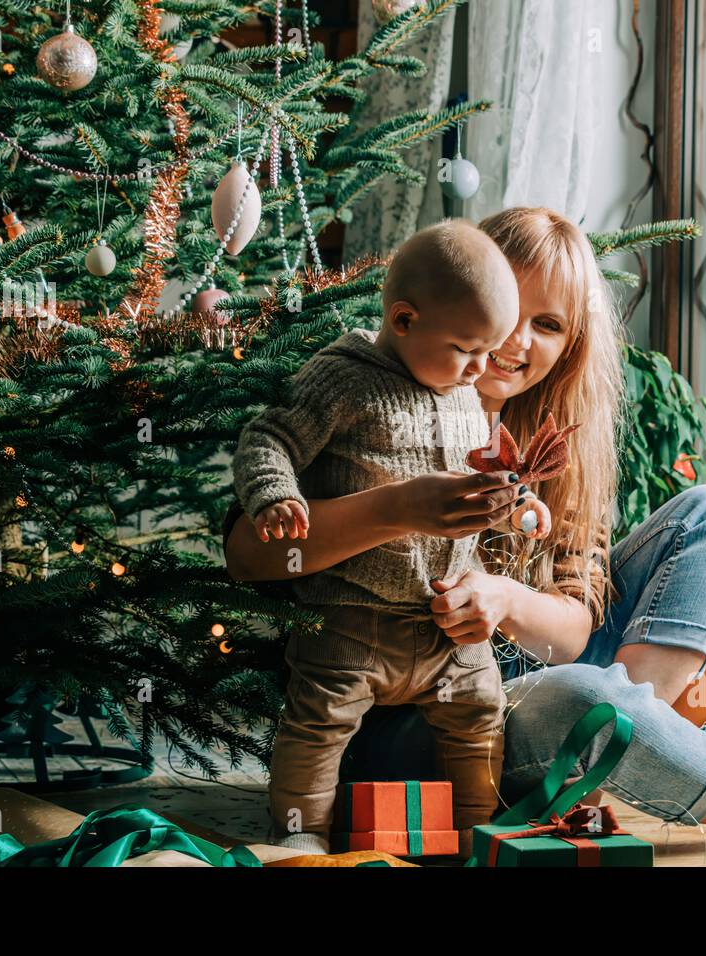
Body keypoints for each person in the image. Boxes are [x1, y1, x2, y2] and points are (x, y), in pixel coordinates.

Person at [224, 207, 706, 856]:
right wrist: (397, 508)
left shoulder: (553, 439)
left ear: (571, 343)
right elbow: (250, 558)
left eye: (548, 325)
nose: (515, 342)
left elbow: (574, 631)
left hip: (523, 674)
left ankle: (612, 748)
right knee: (583, 698)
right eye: (507, 309)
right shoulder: (364, 387)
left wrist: (504, 597)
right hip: (401, 714)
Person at [230, 219, 526, 854]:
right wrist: (275, 495)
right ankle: (299, 839)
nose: (481, 369)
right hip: (351, 616)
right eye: (467, 348)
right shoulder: (344, 378)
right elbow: (269, 436)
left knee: (481, 719)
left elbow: (479, 481)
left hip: (443, 619)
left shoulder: (463, 393)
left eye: (490, 352)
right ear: (403, 320)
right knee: (315, 727)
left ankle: (480, 837)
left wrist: (514, 504)